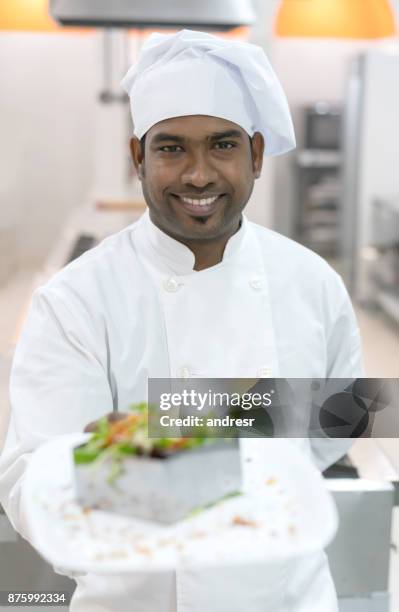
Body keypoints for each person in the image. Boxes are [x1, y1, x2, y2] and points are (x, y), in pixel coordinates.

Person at [0, 29, 363, 611]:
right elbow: (31, 482)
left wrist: (191, 435)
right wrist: (95, 472)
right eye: (171, 148)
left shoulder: (311, 282)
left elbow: (337, 425)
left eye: (222, 145)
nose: (198, 175)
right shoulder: (75, 299)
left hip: (286, 596)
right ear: (138, 156)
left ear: (257, 155)